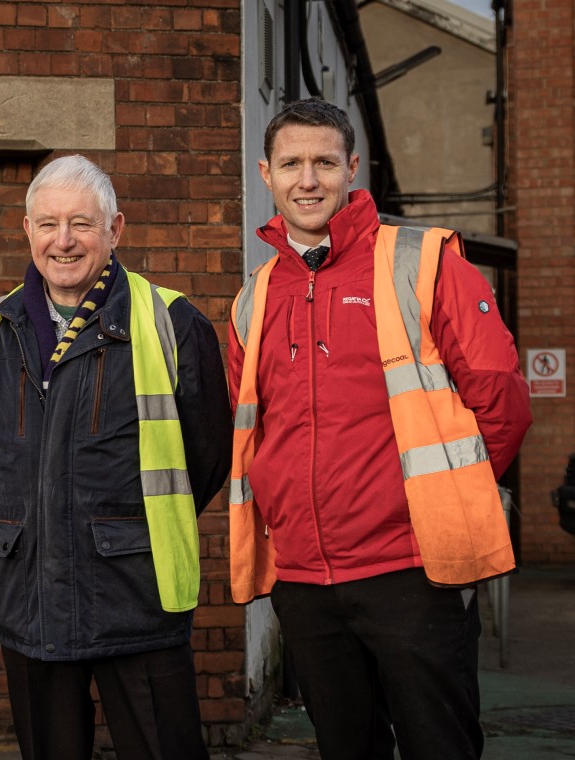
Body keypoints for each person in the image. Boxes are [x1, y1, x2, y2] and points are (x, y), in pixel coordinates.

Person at [227, 98, 532, 760]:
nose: (308, 180)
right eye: (292, 164)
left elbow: (501, 401)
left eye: (324, 162)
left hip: (413, 571)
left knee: (439, 746)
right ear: (267, 174)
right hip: (305, 580)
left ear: (352, 167)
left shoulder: (422, 263)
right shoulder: (255, 296)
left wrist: (450, 503)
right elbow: (252, 428)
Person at [0, 155, 231, 760]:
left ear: (115, 229)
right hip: (28, 599)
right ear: (27, 230)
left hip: (138, 597)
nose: (64, 240)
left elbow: (207, 457)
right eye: (48, 224)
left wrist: (127, 534)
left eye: (81, 223)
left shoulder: (172, 322)